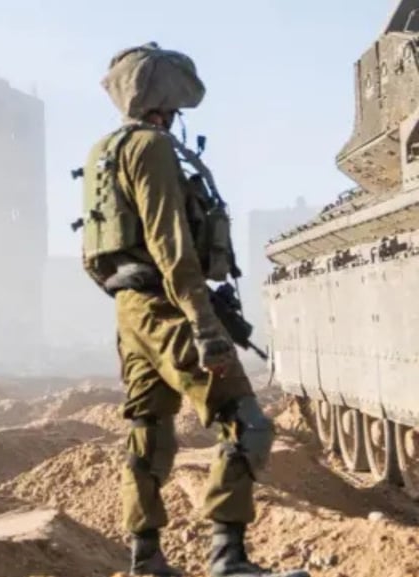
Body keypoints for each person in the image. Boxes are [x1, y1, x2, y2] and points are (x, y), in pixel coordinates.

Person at [77, 43, 308, 577]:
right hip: (168, 304)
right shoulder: (151, 148)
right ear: (163, 100)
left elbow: (95, 256)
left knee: (149, 431)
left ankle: (146, 559)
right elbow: (171, 246)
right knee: (246, 423)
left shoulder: (101, 153)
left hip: (131, 309)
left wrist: (130, 301)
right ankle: (228, 559)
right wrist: (204, 327)